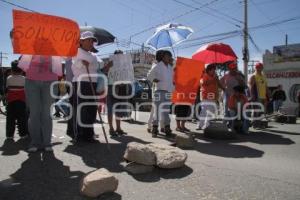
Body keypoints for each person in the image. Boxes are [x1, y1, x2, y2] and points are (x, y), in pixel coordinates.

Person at [66, 31, 99, 142]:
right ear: (81, 41)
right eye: (88, 40)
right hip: (81, 83)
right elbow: (75, 65)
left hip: (92, 84)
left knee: (91, 109)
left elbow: (97, 67)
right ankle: (78, 134)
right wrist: (81, 62)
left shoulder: (93, 55)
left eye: (92, 41)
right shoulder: (76, 51)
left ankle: (89, 134)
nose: (91, 43)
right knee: (81, 109)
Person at [147, 50, 174, 137]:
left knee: (166, 111)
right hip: (159, 91)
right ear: (163, 57)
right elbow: (149, 76)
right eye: (167, 56)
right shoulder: (158, 65)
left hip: (168, 91)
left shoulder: (170, 67)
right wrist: (155, 80)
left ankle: (167, 128)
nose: (169, 57)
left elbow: (172, 79)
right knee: (157, 111)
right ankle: (155, 128)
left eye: (169, 56)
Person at [103, 50, 128, 137]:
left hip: (121, 89)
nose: (120, 57)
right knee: (110, 109)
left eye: (122, 56)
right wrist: (108, 66)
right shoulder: (110, 63)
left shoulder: (124, 65)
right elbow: (103, 72)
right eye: (119, 55)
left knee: (119, 109)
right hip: (111, 88)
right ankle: (111, 128)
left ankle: (118, 128)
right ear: (115, 56)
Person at [5, 60, 28, 139]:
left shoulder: (9, 78)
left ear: (11, 70)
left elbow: (7, 88)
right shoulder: (24, 78)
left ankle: (9, 135)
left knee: (10, 119)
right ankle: (23, 134)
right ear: (21, 70)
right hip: (21, 101)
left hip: (11, 101)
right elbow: (26, 90)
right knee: (22, 118)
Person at [197, 63, 224, 130]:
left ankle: (206, 125)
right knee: (204, 111)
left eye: (214, 70)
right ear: (208, 70)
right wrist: (213, 78)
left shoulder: (215, 76)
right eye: (213, 70)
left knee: (210, 111)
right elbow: (203, 83)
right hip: (206, 96)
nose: (214, 71)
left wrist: (224, 88)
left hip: (213, 97)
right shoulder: (204, 76)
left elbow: (219, 84)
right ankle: (200, 125)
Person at [147, 50, 167, 133]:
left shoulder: (166, 66)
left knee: (163, 109)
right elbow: (149, 77)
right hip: (157, 90)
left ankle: (162, 126)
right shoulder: (155, 65)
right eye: (165, 56)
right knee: (155, 109)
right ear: (161, 57)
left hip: (166, 90)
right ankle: (150, 126)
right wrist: (156, 80)